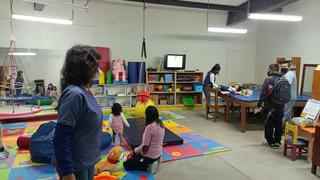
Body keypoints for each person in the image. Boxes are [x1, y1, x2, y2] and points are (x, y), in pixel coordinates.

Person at [53, 45, 102, 180]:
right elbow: (61, 138)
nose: (97, 70)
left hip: (87, 161)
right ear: (84, 68)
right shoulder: (74, 95)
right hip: (75, 165)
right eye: (94, 66)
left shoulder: (85, 90)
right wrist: (68, 173)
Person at [123, 106, 165, 174]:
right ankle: (156, 160)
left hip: (149, 156)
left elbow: (144, 147)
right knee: (136, 154)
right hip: (158, 153)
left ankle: (147, 166)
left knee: (126, 164)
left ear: (147, 116)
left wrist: (134, 151)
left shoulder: (149, 127)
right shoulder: (161, 124)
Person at [257, 64, 284, 148]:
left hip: (270, 105)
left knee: (269, 123)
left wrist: (259, 103)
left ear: (272, 70)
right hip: (281, 106)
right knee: (278, 123)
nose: (267, 71)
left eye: (268, 69)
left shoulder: (268, 79)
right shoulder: (283, 79)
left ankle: (271, 142)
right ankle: (277, 141)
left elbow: (263, 92)